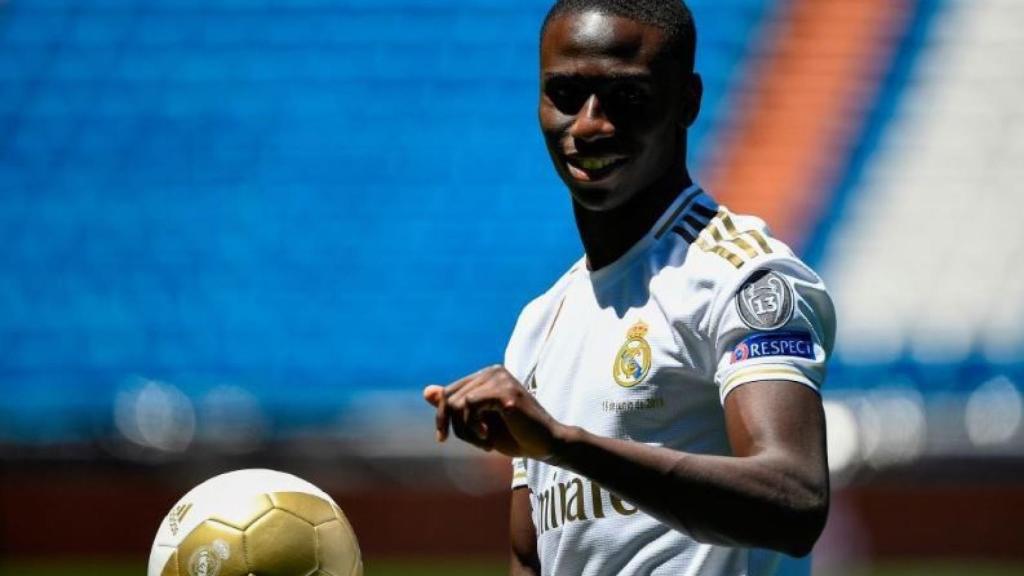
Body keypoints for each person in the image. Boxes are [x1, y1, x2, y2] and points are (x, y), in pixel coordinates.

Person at [423, 1, 835, 574]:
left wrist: (565, 445)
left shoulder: (743, 277)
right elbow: (530, 558)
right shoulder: (540, 322)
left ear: (686, 101)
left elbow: (794, 501)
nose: (589, 124)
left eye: (628, 98)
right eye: (565, 94)